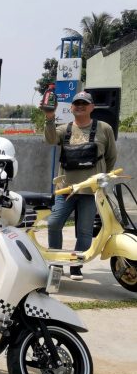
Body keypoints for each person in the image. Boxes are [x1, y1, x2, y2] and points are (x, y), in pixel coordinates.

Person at [43, 90, 117, 280]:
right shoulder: (64, 129)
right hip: (65, 189)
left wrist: (101, 178)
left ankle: (76, 266)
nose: (80, 106)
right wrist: (49, 117)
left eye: (84, 103)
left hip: (91, 191)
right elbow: (50, 139)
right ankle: (56, 263)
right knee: (54, 223)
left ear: (92, 107)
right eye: (77, 103)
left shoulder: (104, 128)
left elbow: (111, 157)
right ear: (71, 107)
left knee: (84, 231)